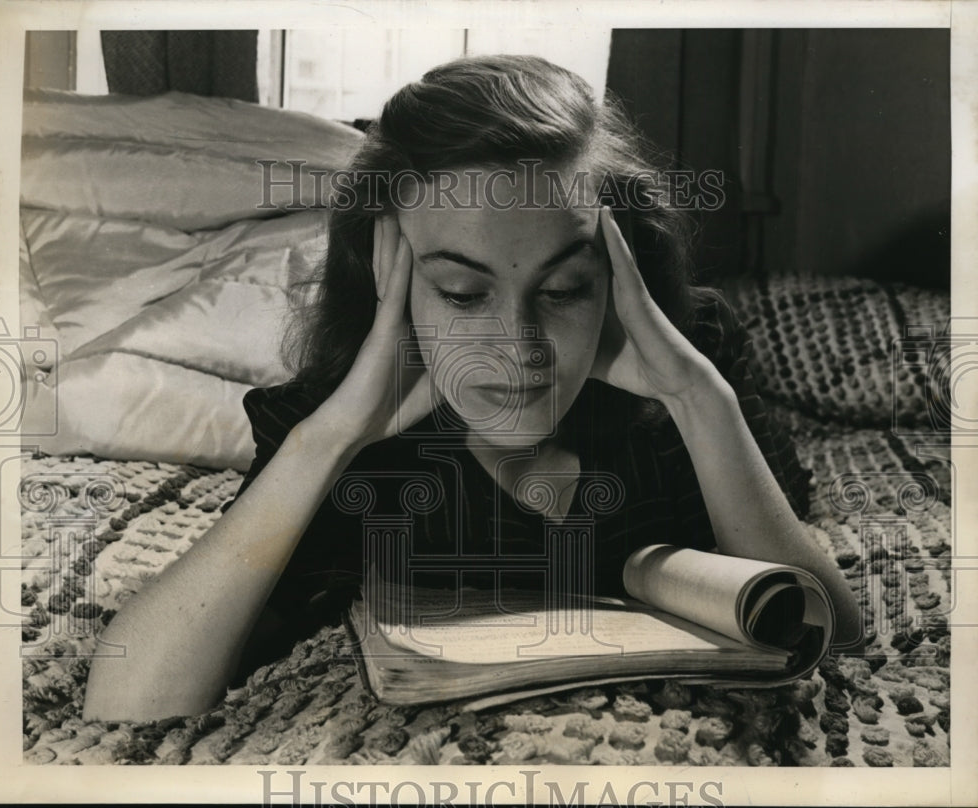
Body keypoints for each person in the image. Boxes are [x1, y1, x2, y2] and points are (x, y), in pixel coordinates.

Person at [83, 54, 862, 722]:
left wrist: (699, 397)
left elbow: (837, 640)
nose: (516, 349)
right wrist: (332, 434)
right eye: (461, 293)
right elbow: (129, 700)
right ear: (393, 281)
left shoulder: (694, 376)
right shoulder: (337, 435)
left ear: (619, 283)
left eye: (563, 291)